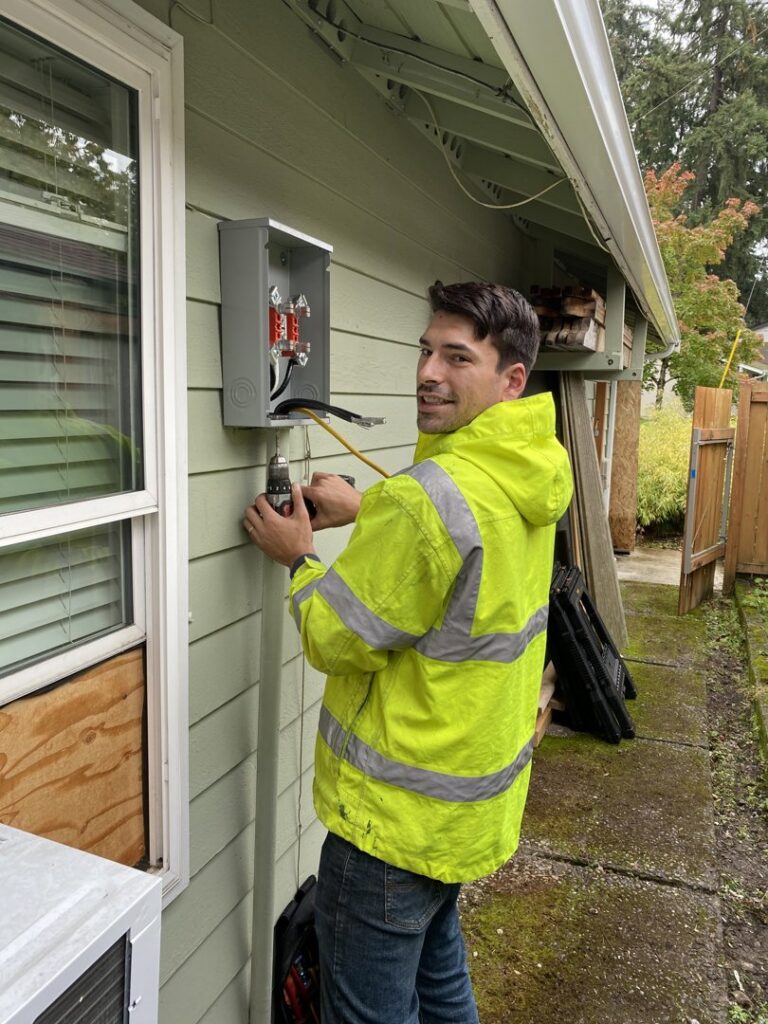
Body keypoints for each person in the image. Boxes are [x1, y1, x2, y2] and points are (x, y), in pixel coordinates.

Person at [243, 281, 573, 1024]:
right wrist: (376, 510)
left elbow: (334, 635)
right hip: (462, 813)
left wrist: (299, 557)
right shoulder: (532, 467)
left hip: (388, 828)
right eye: (426, 351)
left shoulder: (428, 500)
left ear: (511, 378)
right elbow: (467, 564)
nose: (428, 372)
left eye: (458, 357)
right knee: (441, 981)